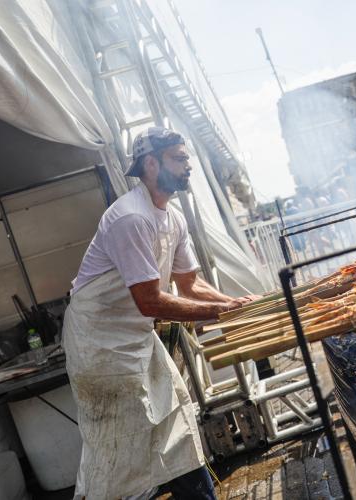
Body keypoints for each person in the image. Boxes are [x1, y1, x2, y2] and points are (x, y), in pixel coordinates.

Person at [63, 127, 258, 499]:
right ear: (151, 165)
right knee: (119, 454)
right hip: (100, 346)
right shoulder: (130, 218)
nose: (189, 167)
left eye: (187, 159)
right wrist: (219, 312)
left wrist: (235, 305)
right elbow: (150, 301)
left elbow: (189, 285)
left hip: (134, 338)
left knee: (177, 429)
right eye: (180, 159)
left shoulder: (173, 219)